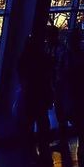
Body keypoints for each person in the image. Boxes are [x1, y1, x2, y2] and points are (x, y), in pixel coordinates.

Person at [55, 26, 84, 158]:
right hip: (78, 92)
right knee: (78, 119)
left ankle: (67, 143)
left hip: (68, 91)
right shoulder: (83, 55)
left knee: (67, 118)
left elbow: (60, 72)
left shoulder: (65, 55)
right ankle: (83, 143)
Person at [17, 30, 56, 158]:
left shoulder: (25, 58)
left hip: (30, 95)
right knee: (42, 120)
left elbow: (21, 74)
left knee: (29, 121)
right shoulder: (44, 57)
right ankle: (44, 148)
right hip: (41, 94)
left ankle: (30, 149)